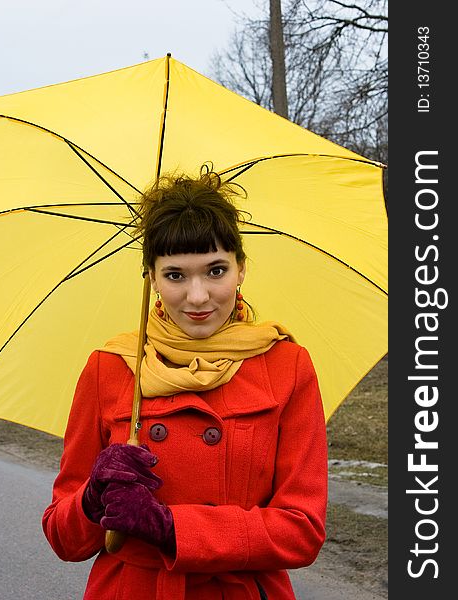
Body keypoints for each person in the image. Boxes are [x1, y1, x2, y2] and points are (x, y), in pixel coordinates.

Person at [42, 165, 328, 600]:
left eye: (215, 271)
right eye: (175, 274)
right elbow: (64, 539)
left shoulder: (286, 365)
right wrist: (92, 496)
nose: (198, 297)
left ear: (241, 269)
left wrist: (172, 528)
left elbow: (302, 530)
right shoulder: (110, 367)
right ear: (152, 278)